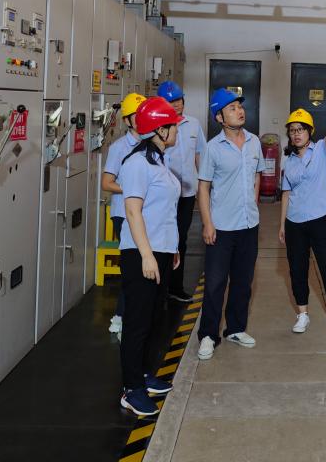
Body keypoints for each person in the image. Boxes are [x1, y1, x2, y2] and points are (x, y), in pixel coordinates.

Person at [117, 96, 183, 418]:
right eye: (174, 126)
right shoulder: (137, 164)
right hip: (141, 253)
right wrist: (146, 255)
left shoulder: (158, 161)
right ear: (160, 129)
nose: (177, 130)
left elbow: (163, 211)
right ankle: (131, 390)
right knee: (137, 322)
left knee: (154, 318)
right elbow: (133, 211)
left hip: (161, 250)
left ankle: (143, 375)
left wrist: (172, 248)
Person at [196, 88, 266, 360]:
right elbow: (203, 188)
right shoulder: (212, 148)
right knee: (215, 284)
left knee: (243, 282)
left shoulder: (254, 142)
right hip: (222, 226)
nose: (240, 111)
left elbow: (257, 176)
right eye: (232, 108)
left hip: (249, 225)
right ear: (220, 117)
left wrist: (253, 203)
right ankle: (208, 335)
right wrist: (207, 223)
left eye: (240, 106)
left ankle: (236, 328)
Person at [279, 104, 326, 342]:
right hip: (295, 222)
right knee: (297, 270)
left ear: (310, 131)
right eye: (292, 130)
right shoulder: (289, 161)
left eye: (301, 129)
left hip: (321, 219)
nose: (296, 134)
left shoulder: (322, 149)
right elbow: (286, 194)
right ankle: (302, 314)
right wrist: (282, 225)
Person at [101, 92, 145, 336]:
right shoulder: (119, 147)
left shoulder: (151, 143)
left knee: (141, 267)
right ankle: (120, 315)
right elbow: (107, 183)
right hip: (124, 214)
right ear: (127, 121)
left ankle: (132, 314)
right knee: (132, 267)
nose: (142, 119)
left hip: (144, 212)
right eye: (137, 115)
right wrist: (133, 188)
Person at [157, 80, 205, 303]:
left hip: (187, 194)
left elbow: (199, 155)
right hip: (164, 196)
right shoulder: (159, 127)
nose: (176, 105)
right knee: (163, 239)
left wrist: (204, 185)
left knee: (181, 240)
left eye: (178, 100)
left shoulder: (193, 124)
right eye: (171, 101)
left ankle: (176, 287)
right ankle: (160, 287)